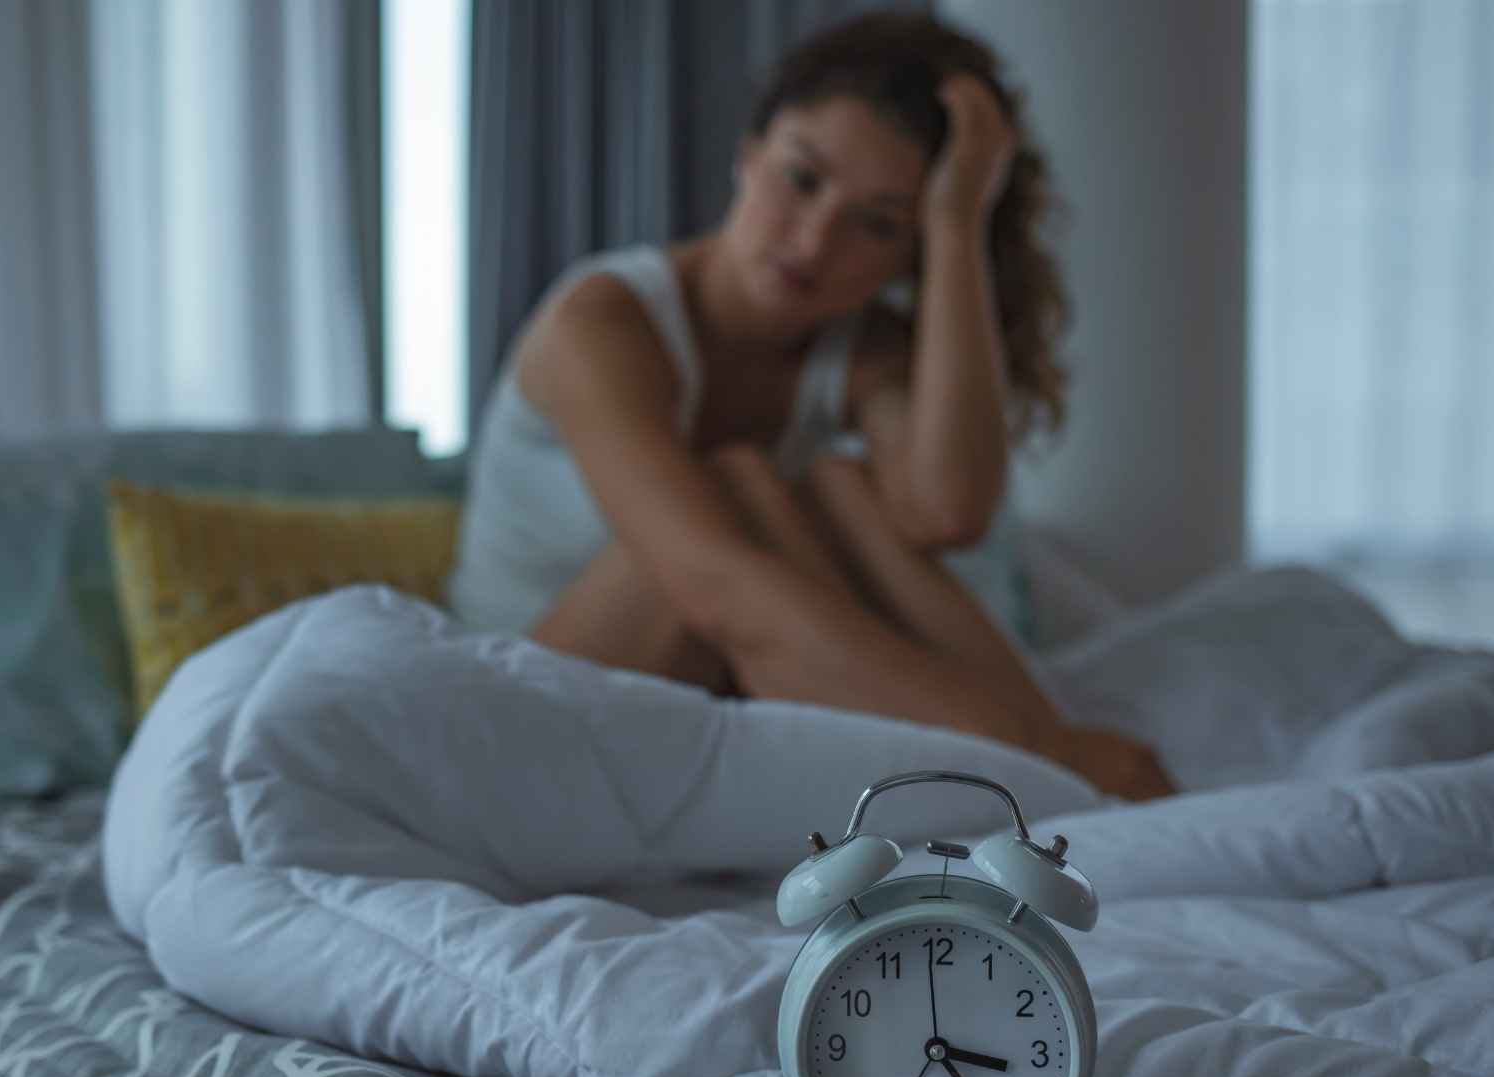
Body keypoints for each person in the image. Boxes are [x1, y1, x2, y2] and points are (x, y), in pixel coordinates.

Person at [448, 13, 1173, 802]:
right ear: (749, 155)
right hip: (519, 709)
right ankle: (1051, 778)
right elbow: (708, 586)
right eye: (802, 178)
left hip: (699, 698)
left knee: (833, 485)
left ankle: (1052, 781)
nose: (816, 239)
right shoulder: (602, 322)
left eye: (879, 224)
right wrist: (1041, 749)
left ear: (909, 254)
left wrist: (957, 222)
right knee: (730, 491)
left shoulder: (860, 350)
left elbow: (946, 512)